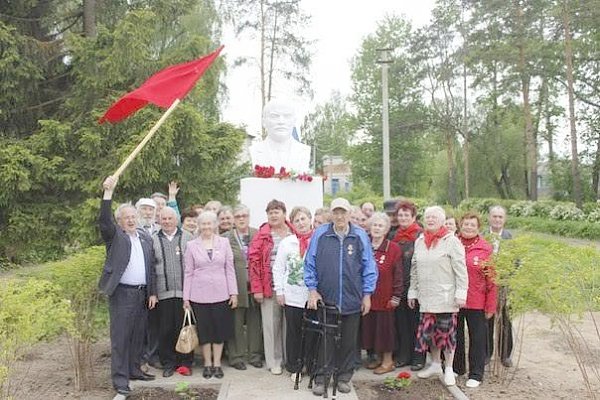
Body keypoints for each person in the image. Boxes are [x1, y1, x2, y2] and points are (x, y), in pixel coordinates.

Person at [305, 197, 378, 396]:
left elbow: (369, 267)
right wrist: (312, 289)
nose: (339, 216)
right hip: (326, 298)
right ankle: (321, 377)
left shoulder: (360, 235)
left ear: (349, 214)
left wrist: (367, 294)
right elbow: (309, 263)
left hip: (352, 297)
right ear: (331, 214)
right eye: (335, 212)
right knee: (326, 339)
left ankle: (344, 377)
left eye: (343, 212)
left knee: (348, 340)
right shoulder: (320, 234)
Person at [98, 176, 158, 397]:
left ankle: (134, 370)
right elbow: (104, 221)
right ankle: (120, 379)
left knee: (138, 336)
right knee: (121, 338)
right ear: (120, 221)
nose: (131, 220)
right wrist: (108, 193)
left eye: (134, 216)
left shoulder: (144, 238)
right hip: (122, 294)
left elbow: (151, 267)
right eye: (126, 217)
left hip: (142, 294)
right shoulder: (116, 237)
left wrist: (152, 292)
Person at [408, 206, 468, 387]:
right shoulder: (419, 241)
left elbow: (461, 270)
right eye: (428, 217)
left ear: (442, 221)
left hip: (446, 297)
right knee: (431, 334)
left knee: (447, 335)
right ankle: (435, 364)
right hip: (426, 297)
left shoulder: (452, 241)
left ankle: (448, 368)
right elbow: (414, 269)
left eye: (434, 217)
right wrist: (413, 291)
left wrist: (461, 293)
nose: (430, 220)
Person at [183, 211, 238, 379]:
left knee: (220, 331)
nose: (207, 227)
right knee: (205, 331)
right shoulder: (192, 245)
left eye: (210, 223)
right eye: (203, 224)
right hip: (199, 295)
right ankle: (207, 363)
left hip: (222, 294)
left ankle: (217, 364)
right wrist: (186, 297)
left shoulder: (224, 242)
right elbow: (188, 272)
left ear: (215, 225)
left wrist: (233, 292)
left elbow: (229, 268)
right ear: (199, 226)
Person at [248, 199, 295, 375]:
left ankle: (290, 359)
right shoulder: (262, 235)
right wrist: (257, 289)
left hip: (291, 289)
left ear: (284, 213)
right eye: (270, 212)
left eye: (277, 211)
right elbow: (253, 263)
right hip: (269, 288)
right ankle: (274, 361)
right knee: (271, 325)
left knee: (289, 326)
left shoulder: (294, 233)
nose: (273, 215)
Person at [453, 212, 497, 388]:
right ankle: (457, 367)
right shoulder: (452, 244)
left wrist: (490, 305)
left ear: (478, 228)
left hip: (477, 301)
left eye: (472, 225)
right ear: (460, 226)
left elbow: (492, 280)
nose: (468, 228)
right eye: (465, 224)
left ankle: (476, 373)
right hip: (455, 300)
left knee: (477, 338)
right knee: (455, 336)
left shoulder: (485, 249)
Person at [272, 206, 314, 383]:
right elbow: (279, 268)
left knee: (312, 333)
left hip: (312, 297)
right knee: (294, 333)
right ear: (292, 224)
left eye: (303, 219)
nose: (301, 223)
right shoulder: (287, 243)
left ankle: (311, 366)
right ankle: (295, 367)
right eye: (297, 220)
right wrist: (280, 291)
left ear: (310, 219)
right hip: (292, 296)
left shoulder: (318, 240)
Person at [152, 207, 194, 377]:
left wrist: (191, 294)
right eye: (164, 219)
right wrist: (153, 292)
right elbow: (151, 269)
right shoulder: (153, 239)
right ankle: (168, 363)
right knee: (165, 329)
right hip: (163, 293)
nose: (167, 221)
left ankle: (185, 363)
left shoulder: (188, 237)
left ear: (176, 219)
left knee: (184, 329)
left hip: (185, 293)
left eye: (170, 218)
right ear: (159, 220)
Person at [222, 205, 264, 370]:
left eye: (244, 215)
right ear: (233, 218)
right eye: (238, 216)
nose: (241, 219)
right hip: (235, 285)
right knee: (236, 322)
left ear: (249, 217)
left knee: (255, 321)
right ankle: (236, 357)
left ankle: (254, 355)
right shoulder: (226, 238)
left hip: (255, 285)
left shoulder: (257, 234)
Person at [361, 212, 402, 375]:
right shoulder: (365, 245)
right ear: (370, 228)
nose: (377, 228)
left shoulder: (393, 248)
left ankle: (388, 361)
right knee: (372, 329)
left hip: (386, 298)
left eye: (380, 225)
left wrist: (396, 296)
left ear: (386, 229)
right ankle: (378, 358)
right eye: (375, 225)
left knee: (385, 331)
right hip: (368, 297)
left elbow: (398, 274)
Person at [391, 200, 425, 371]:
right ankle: (404, 355)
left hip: (415, 288)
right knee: (401, 324)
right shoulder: (394, 236)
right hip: (398, 288)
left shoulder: (420, 236)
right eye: (400, 215)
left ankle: (418, 357)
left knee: (416, 324)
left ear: (414, 217)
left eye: (406, 215)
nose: (403, 217)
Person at [249, 98, 311, 172]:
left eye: (287, 116)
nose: (281, 122)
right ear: (264, 122)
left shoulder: (304, 151)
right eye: (274, 116)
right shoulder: (254, 151)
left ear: (294, 121)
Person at [486, 205, 514, 367]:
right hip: (486, 287)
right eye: (494, 216)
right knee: (486, 321)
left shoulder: (510, 238)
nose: (497, 219)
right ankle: (486, 354)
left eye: (500, 217)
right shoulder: (482, 236)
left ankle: (505, 355)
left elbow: (516, 262)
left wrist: (506, 279)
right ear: (489, 218)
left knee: (505, 321)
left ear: (504, 219)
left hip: (504, 286)